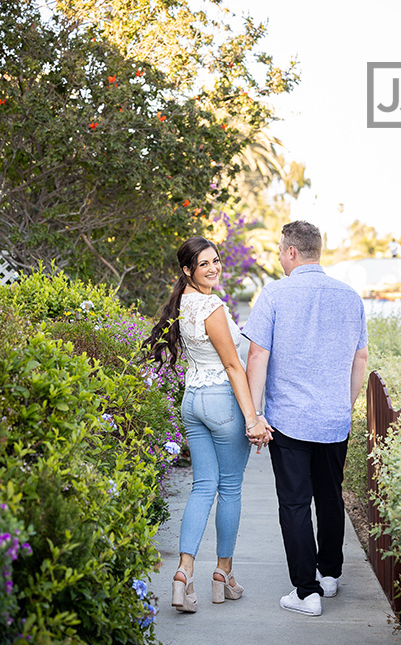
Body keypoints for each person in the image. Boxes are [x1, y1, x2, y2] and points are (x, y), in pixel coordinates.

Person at [243, 220, 369, 616]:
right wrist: (344, 407)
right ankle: (329, 576)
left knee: (295, 504)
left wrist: (256, 413)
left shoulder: (275, 294)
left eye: (281, 250)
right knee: (330, 496)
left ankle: (306, 592)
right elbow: (360, 358)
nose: (280, 257)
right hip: (334, 420)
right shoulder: (350, 297)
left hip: (290, 420)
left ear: (292, 252)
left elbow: (257, 356)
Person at [143, 236, 272, 614]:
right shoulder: (212, 306)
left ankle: (183, 575)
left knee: (202, 488)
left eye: (216, 261)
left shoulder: (182, 301)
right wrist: (253, 418)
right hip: (221, 403)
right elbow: (234, 367)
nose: (214, 268)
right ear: (188, 270)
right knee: (229, 489)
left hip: (192, 401)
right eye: (204, 264)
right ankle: (222, 575)